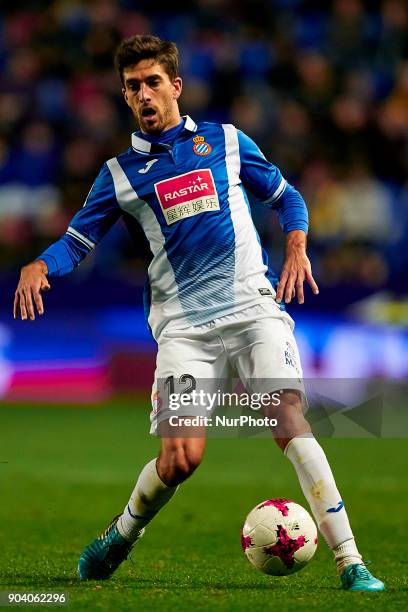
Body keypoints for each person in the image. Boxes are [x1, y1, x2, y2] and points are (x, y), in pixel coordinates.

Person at [14, 34, 384, 592]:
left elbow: (287, 197)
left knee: (287, 418)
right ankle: (122, 533)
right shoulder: (118, 175)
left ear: (176, 87)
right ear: (124, 96)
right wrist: (40, 265)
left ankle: (351, 562)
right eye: (133, 86)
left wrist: (298, 243)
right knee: (182, 458)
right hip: (185, 331)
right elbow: (76, 241)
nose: (144, 94)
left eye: (153, 82)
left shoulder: (228, 142)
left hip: (253, 308)